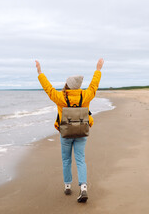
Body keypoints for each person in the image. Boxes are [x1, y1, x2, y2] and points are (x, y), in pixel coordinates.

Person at [35, 58, 104, 203]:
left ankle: (67, 186)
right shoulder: (85, 96)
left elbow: (48, 88)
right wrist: (98, 69)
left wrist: (40, 72)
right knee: (80, 159)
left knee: (66, 159)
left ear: (67, 85)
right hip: (81, 132)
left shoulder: (60, 97)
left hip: (66, 134)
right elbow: (94, 85)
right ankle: (83, 187)